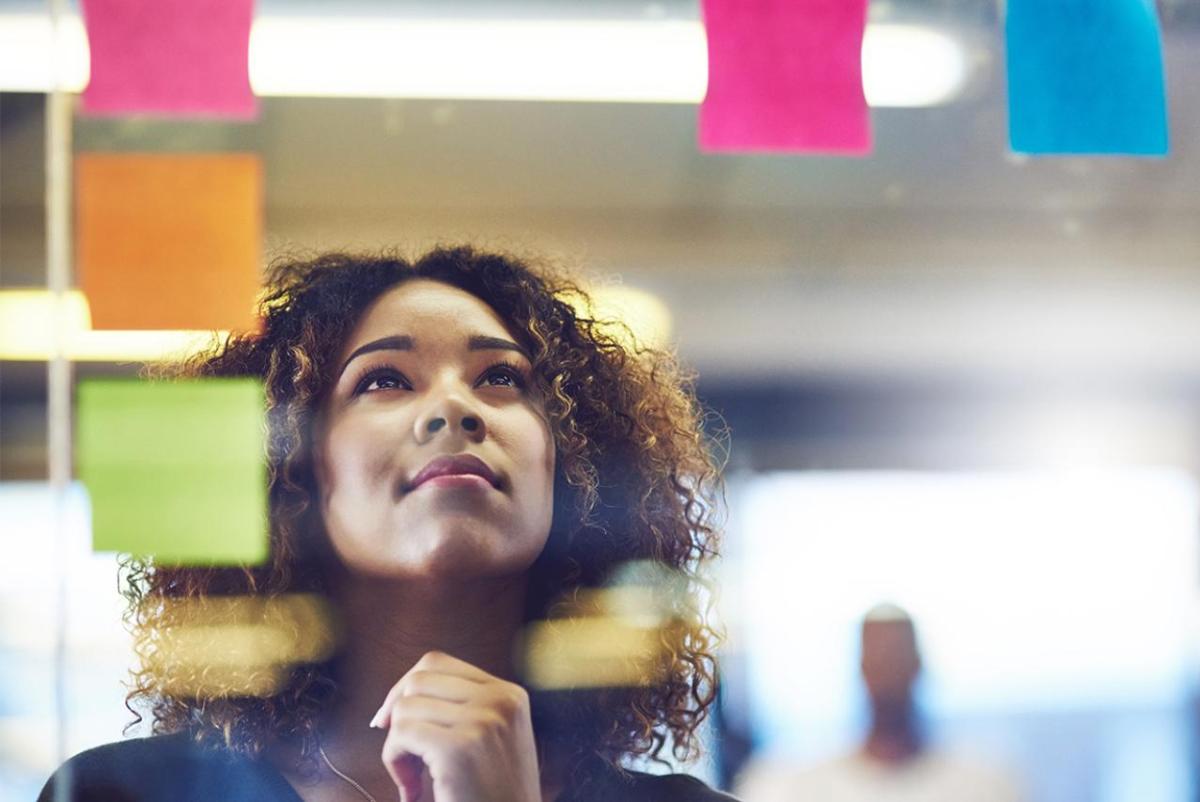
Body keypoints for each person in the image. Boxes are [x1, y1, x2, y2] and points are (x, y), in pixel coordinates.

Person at [40, 246, 734, 802]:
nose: (455, 409)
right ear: (299, 474)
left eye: (501, 378)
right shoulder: (124, 794)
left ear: (571, 462)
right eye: (385, 381)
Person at [735, 604, 1023, 802]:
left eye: (898, 656)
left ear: (917, 665)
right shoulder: (786, 786)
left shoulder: (985, 785)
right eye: (877, 658)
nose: (887, 670)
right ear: (861, 667)